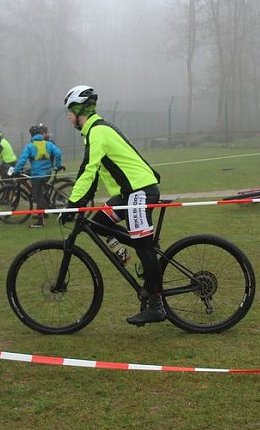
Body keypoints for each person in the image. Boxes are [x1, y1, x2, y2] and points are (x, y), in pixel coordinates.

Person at [60, 85, 164, 325]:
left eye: (68, 112)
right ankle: (129, 250)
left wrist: (73, 203)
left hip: (139, 191)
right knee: (97, 224)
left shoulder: (97, 131)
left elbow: (88, 169)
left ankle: (156, 305)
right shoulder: (95, 130)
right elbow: (94, 174)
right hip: (126, 194)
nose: (67, 117)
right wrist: (81, 201)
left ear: (78, 110)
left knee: (143, 246)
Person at [13, 124, 64, 228]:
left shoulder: (30, 146)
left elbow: (22, 159)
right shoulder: (48, 144)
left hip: (37, 175)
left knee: (37, 197)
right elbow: (58, 153)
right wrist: (58, 165)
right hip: (47, 174)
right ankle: (43, 212)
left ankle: (41, 222)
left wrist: (17, 170)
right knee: (41, 192)